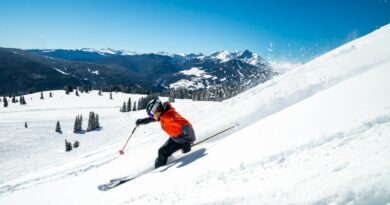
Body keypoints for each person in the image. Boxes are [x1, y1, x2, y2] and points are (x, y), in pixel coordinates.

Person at [136, 98, 196, 168]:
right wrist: (143, 121)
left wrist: (187, 143)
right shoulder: (163, 113)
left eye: (153, 114)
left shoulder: (170, 117)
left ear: (158, 109)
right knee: (161, 151)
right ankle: (159, 165)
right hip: (176, 137)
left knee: (162, 152)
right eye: (151, 115)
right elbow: (155, 118)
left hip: (183, 139)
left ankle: (158, 170)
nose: (153, 117)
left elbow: (186, 125)